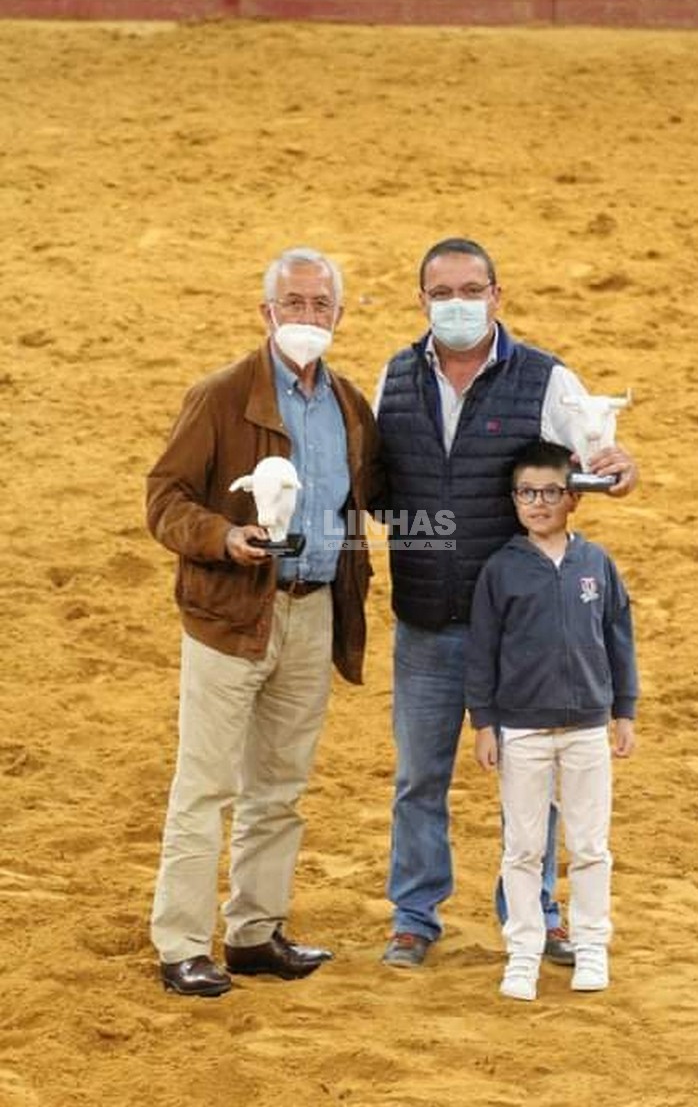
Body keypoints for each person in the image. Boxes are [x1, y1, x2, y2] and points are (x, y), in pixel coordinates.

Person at [374, 237, 638, 968]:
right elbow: (378, 479)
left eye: (471, 290)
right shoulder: (395, 378)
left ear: (497, 295)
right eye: (441, 293)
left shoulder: (548, 380)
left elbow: (595, 459)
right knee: (419, 778)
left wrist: (619, 467)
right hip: (427, 619)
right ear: (421, 300)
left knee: (533, 779)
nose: (456, 304)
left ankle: (537, 914)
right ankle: (413, 917)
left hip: (522, 628)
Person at [147, 246, 380, 997]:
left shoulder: (349, 404)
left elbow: (378, 493)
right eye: (294, 302)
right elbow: (165, 497)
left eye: (321, 304)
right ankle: (183, 944)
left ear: (339, 315)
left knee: (280, 787)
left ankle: (253, 933)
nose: (308, 315)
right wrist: (223, 537)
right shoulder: (220, 395)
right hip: (230, 615)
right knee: (206, 785)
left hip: (313, 612)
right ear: (267, 311)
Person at [467, 440, 638, 1000]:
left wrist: (624, 711)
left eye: (549, 492)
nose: (537, 503)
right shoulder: (500, 570)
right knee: (522, 848)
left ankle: (591, 946)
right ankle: (523, 952)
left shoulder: (597, 564)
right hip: (522, 730)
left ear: (573, 498)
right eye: (526, 493)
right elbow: (483, 651)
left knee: (590, 845)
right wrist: (484, 722)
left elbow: (619, 638)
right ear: (514, 499)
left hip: (587, 727)